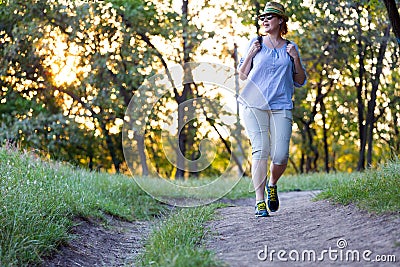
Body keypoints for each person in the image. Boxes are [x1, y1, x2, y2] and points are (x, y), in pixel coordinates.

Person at [237, 1, 307, 217]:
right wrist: (250, 54)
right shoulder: (256, 42)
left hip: (281, 105)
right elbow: (242, 75)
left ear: (280, 21)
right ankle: (259, 202)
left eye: (270, 17)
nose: (265, 21)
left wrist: (295, 59)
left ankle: (272, 184)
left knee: (280, 155)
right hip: (253, 104)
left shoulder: (290, 48)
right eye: (263, 18)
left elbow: (301, 80)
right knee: (260, 149)